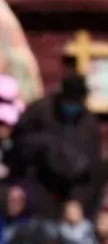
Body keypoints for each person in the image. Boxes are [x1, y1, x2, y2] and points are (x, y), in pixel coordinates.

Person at [9, 74, 102, 219]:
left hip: (71, 194)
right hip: (37, 185)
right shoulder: (39, 112)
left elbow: (91, 168)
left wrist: (77, 200)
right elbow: (20, 145)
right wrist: (51, 148)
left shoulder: (88, 123)